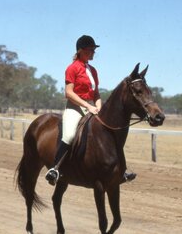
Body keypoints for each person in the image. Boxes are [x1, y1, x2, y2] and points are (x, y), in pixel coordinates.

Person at [45, 35, 136, 185]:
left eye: (94, 50)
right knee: (69, 135)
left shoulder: (93, 70)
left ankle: (121, 169)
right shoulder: (72, 68)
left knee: (110, 134)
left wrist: (99, 106)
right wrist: (87, 106)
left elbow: (96, 93)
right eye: (90, 50)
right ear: (80, 51)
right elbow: (69, 92)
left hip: (92, 108)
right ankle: (55, 169)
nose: (93, 53)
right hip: (75, 107)